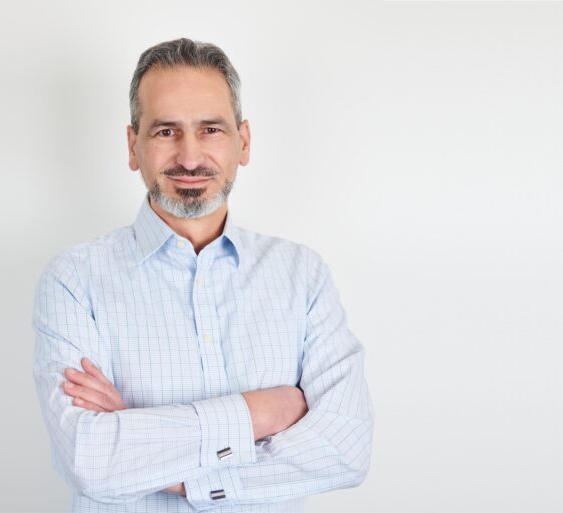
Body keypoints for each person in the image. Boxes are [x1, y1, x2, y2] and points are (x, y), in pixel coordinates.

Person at [32, 38, 374, 513]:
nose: (190, 158)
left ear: (243, 142)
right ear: (133, 146)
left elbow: (345, 450)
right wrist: (260, 412)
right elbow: (91, 460)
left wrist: (149, 451)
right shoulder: (75, 281)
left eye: (210, 129)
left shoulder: (303, 276)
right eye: (165, 131)